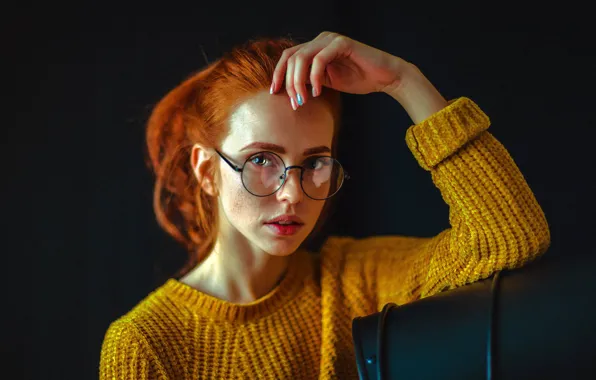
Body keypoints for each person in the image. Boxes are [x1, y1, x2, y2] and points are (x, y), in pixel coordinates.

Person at [99, 31, 551, 379]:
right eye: (261, 159)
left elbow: (506, 236)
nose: (293, 193)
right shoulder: (145, 344)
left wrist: (402, 80)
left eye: (314, 161)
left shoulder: (354, 282)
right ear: (205, 171)